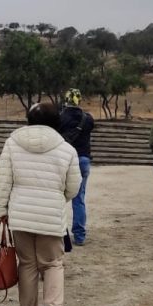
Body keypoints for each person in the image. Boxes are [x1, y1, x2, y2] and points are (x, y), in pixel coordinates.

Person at [0, 102, 79, 306]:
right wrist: (58, 197)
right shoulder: (66, 149)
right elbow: (73, 187)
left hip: (20, 216)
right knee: (52, 263)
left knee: (27, 264)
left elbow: (4, 181)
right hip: (51, 216)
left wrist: (2, 209)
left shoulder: (12, 144)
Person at [58, 88, 94, 246]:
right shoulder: (88, 119)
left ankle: (59, 232)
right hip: (83, 159)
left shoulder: (60, 118)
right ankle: (79, 236)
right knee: (79, 198)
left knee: (58, 197)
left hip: (64, 159)